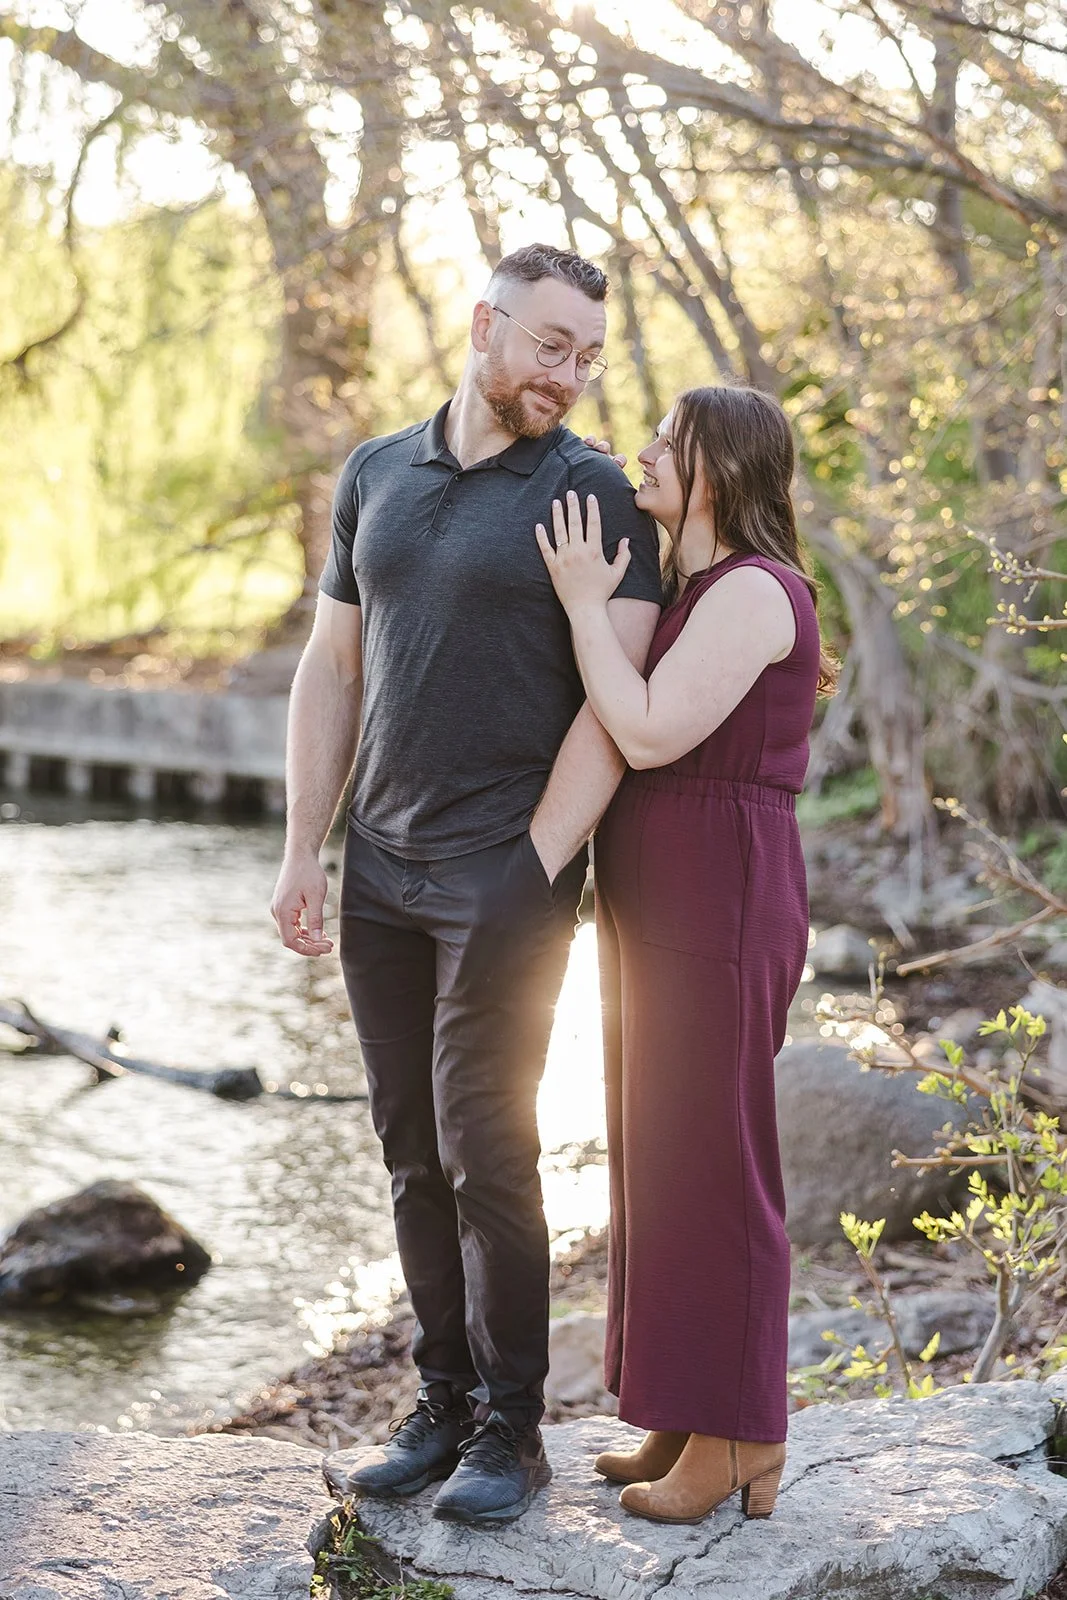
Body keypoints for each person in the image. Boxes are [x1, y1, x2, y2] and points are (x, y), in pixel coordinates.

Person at [270, 244, 662, 1526]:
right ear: (485, 326)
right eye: (551, 346)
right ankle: (437, 1403)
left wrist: (535, 861)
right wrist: (301, 850)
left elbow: (620, 701)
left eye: (588, 355)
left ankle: (513, 1429)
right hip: (379, 864)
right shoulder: (377, 471)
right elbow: (332, 668)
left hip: (506, 869)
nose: (570, 375)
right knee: (405, 1151)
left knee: (489, 1150)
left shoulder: (592, 490)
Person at [535, 384, 836, 1526]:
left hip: (725, 896)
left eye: (670, 437)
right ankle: (677, 1406)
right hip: (662, 897)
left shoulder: (756, 591)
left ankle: (743, 1431)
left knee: (715, 1158)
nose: (645, 449)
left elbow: (650, 726)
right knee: (655, 1152)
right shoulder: (696, 586)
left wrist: (580, 603)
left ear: (722, 467)